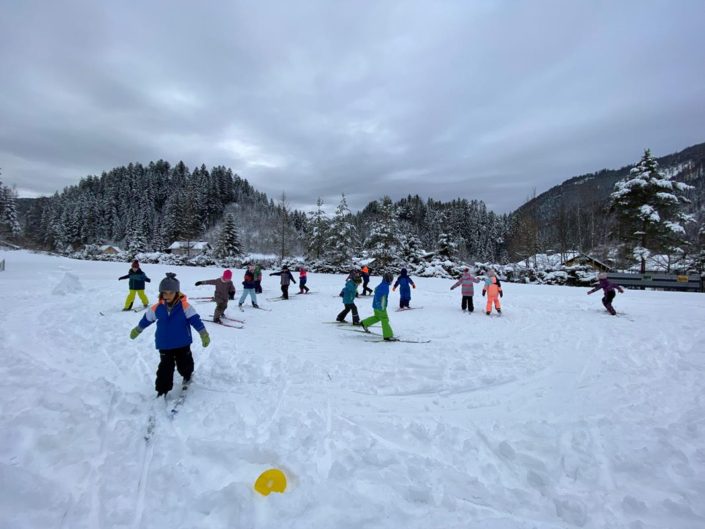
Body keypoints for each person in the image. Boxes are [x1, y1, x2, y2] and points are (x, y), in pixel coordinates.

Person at [129, 273, 210, 397]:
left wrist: (203, 334)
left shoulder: (185, 307)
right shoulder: (156, 308)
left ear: (177, 292)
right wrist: (138, 329)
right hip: (164, 343)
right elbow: (146, 319)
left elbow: (196, 320)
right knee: (165, 367)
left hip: (182, 342)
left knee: (184, 363)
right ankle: (162, 390)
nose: (167, 295)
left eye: (171, 293)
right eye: (164, 293)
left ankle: (187, 375)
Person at [360, 272, 395, 340]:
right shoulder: (384, 287)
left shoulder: (383, 285)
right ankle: (388, 335)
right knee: (384, 319)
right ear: (388, 279)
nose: (391, 281)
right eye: (391, 279)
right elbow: (379, 297)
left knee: (377, 317)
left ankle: (364, 323)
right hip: (380, 307)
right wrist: (381, 306)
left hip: (377, 306)